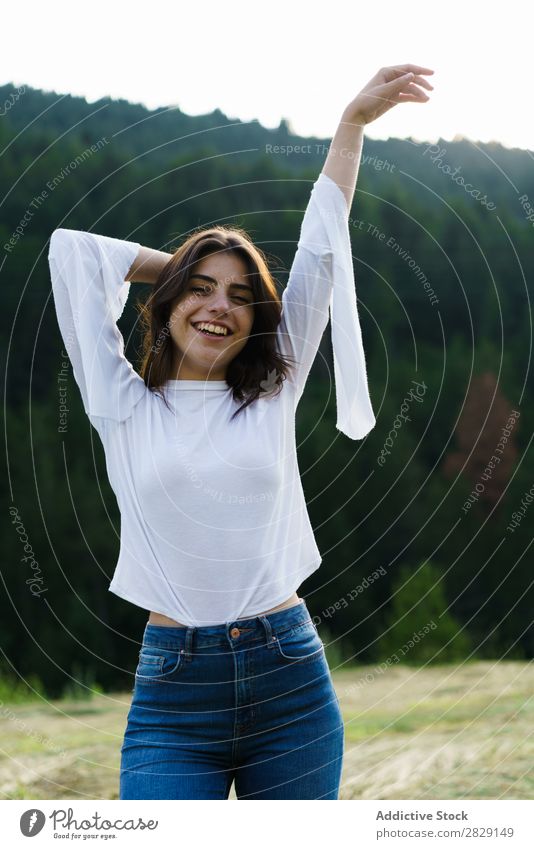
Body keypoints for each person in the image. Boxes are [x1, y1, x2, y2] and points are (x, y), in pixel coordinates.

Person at [48, 64, 433, 800]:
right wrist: (185, 273)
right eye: (200, 292)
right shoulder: (121, 402)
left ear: (257, 318)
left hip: (290, 680)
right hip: (174, 696)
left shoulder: (273, 387)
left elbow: (322, 248)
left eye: (238, 296)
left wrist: (350, 125)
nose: (216, 307)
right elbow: (73, 252)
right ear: (164, 305)